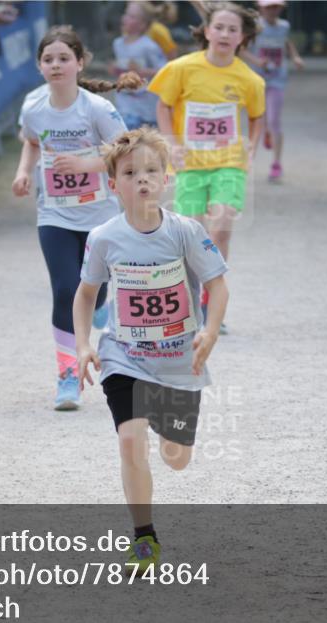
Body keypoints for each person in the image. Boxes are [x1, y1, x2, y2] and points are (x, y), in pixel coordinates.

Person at [73, 127, 229, 573]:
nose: (142, 179)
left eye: (151, 171)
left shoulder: (184, 232)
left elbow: (217, 285)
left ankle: (171, 434)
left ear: (165, 179)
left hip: (180, 359)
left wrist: (211, 331)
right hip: (125, 355)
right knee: (129, 440)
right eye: (130, 172)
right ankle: (144, 539)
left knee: (175, 458)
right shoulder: (104, 237)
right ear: (113, 184)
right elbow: (86, 295)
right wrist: (84, 344)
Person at [12, 25, 141, 411]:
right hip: (53, 213)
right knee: (65, 289)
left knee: (94, 286)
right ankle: (68, 375)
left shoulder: (96, 108)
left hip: (99, 216)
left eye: (64, 58)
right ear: (39, 66)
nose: (56, 65)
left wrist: (85, 163)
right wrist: (23, 171)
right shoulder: (34, 107)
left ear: (80, 63)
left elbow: (125, 151)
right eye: (48, 59)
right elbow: (31, 141)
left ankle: (99, 303)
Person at [148, 1, 263, 331]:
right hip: (192, 165)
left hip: (229, 163)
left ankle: (212, 301)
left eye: (233, 29)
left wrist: (251, 143)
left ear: (242, 37)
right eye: (220, 27)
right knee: (189, 234)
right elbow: (164, 107)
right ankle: (190, 296)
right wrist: (171, 144)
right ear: (207, 31)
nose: (225, 34)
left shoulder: (249, 79)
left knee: (222, 224)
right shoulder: (182, 68)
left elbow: (256, 117)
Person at [242, 0, 303, 182]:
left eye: (276, 7)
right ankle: (251, 157)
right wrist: (257, 62)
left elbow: (286, 42)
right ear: (260, 7)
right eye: (269, 7)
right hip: (256, 81)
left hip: (277, 79)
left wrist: (295, 57)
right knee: (257, 121)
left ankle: (276, 164)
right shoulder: (254, 27)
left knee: (275, 120)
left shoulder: (284, 26)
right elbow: (241, 49)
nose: (273, 10)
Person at [111, 2, 167, 130]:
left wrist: (142, 71)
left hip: (145, 106)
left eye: (132, 16)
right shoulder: (118, 44)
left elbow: (164, 71)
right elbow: (123, 69)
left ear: (142, 25)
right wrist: (115, 69)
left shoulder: (149, 46)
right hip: (125, 102)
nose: (125, 18)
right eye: (126, 14)